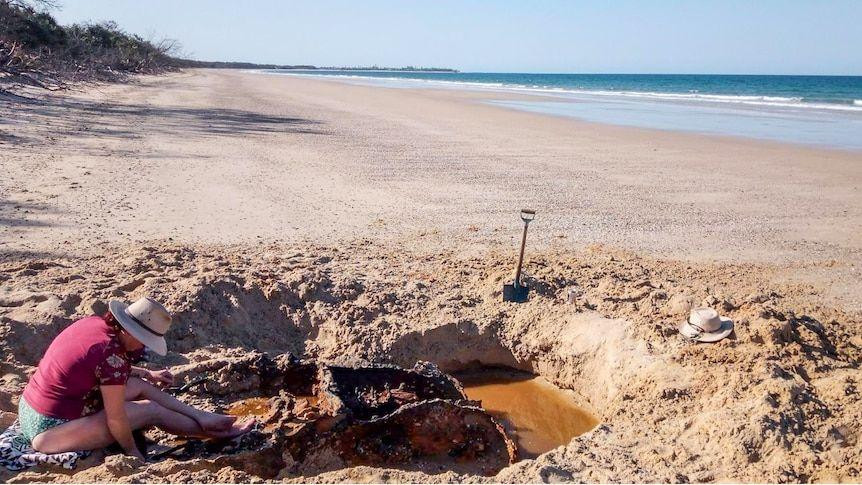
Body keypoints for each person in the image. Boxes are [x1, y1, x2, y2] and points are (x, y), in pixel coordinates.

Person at [18, 296, 253, 460]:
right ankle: (217, 432)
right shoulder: (112, 358)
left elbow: (94, 366)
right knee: (150, 409)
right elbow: (116, 420)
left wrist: (146, 373)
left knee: (140, 385)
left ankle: (202, 417)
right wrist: (134, 454)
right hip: (49, 433)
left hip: (31, 408)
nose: (142, 347)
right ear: (129, 331)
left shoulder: (94, 324)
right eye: (143, 340)